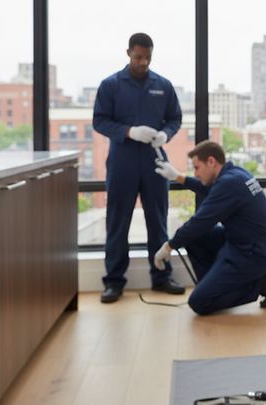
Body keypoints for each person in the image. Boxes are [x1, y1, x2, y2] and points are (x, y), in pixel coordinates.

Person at [93, 32, 184, 303]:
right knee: (117, 223)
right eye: (138, 57)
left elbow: (175, 118)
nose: (143, 62)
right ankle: (114, 282)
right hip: (122, 162)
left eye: (148, 57)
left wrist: (166, 134)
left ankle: (161, 277)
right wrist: (130, 131)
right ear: (129, 53)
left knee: (158, 221)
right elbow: (99, 121)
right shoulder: (111, 85)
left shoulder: (163, 85)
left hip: (155, 162)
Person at [152, 140, 266, 315]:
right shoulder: (235, 174)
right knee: (195, 239)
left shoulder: (228, 183)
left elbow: (199, 222)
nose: (195, 174)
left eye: (197, 168)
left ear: (211, 162)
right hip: (243, 240)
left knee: (199, 302)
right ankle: (215, 285)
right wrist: (178, 177)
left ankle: (262, 284)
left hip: (255, 254)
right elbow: (211, 191)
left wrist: (168, 246)